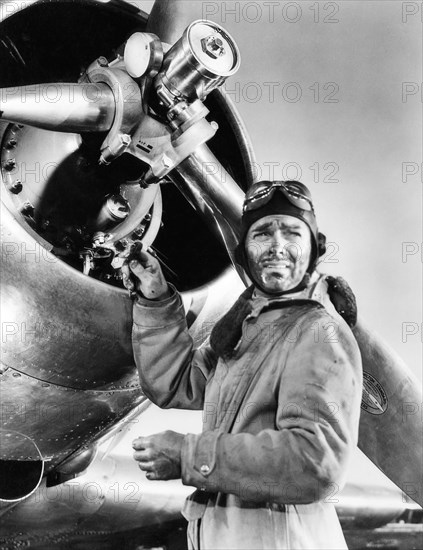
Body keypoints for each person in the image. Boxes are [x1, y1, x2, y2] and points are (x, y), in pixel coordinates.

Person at [122, 180, 363, 550]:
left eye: (293, 232)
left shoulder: (317, 332)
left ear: (315, 249)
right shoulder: (247, 330)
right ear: (245, 253)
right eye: (262, 233)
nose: (277, 246)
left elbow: (316, 462)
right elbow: (174, 382)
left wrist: (188, 454)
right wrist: (155, 297)